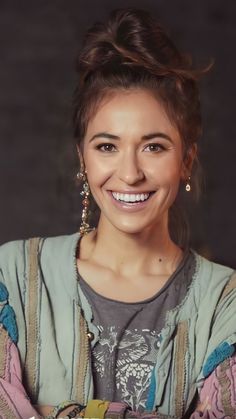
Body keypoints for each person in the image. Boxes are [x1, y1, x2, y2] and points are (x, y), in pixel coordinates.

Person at [0, 7, 235, 419]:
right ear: (83, 158)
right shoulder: (13, 277)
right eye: (107, 146)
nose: (129, 174)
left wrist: (57, 411)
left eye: (154, 146)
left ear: (186, 160)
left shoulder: (225, 303)